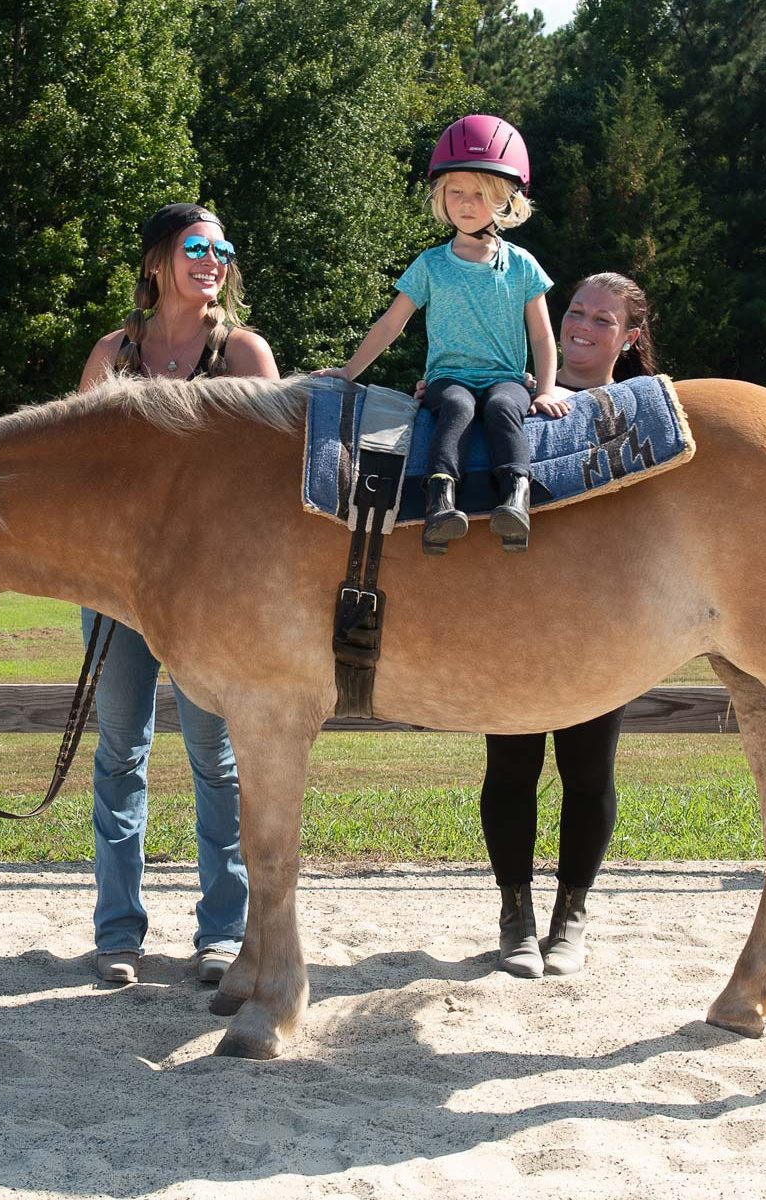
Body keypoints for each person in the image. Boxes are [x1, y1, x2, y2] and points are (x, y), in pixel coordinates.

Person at [73, 202, 279, 987]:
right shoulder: (110, 355)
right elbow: (78, 476)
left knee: (216, 760)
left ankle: (221, 932)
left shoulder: (245, 354)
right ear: (158, 261)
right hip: (117, 590)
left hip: (214, 599)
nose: (215, 258)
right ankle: (117, 931)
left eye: (224, 247)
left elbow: (271, 480)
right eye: (198, 246)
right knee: (120, 755)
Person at [478, 271, 661, 977]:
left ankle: (571, 916)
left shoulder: (642, 410)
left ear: (631, 336)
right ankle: (515, 915)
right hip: (516, 617)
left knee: (590, 773)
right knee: (511, 768)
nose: (583, 326)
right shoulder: (514, 393)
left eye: (604, 319)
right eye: (576, 311)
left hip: (601, 623)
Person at [316, 114, 566, 555]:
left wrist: (544, 390)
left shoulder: (523, 264)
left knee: (507, 406)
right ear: (440, 197)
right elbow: (391, 324)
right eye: (456, 192)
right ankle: (440, 500)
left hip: (505, 375)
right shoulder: (431, 264)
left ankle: (515, 497)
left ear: (506, 200)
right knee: (456, 406)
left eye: (480, 194)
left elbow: (543, 337)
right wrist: (349, 370)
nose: (466, 203)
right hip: (448, 376)